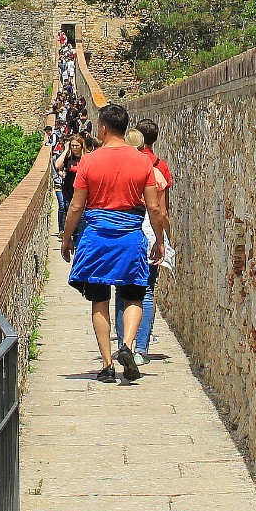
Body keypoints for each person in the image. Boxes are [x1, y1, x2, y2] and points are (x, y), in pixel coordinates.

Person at [61, 104, 168, 384]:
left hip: (96, 239)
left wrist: (66, 238)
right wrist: (159, 240)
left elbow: (75, 205)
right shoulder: (143, 162)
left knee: (99, 301)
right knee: (134, 296)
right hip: (130, 238)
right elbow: (154, 208)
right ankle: (129, 347)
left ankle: (107, 365)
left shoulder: (89, 162)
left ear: (103, 128)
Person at [129, 118, 173, 363]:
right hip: (149, 234)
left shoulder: (121, 167)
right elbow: (161, 211)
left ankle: (124, 340)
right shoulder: (159, 168)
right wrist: (164, 238)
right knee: (146, 291)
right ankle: (141, 348)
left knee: (124, 290)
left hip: (125, 234)